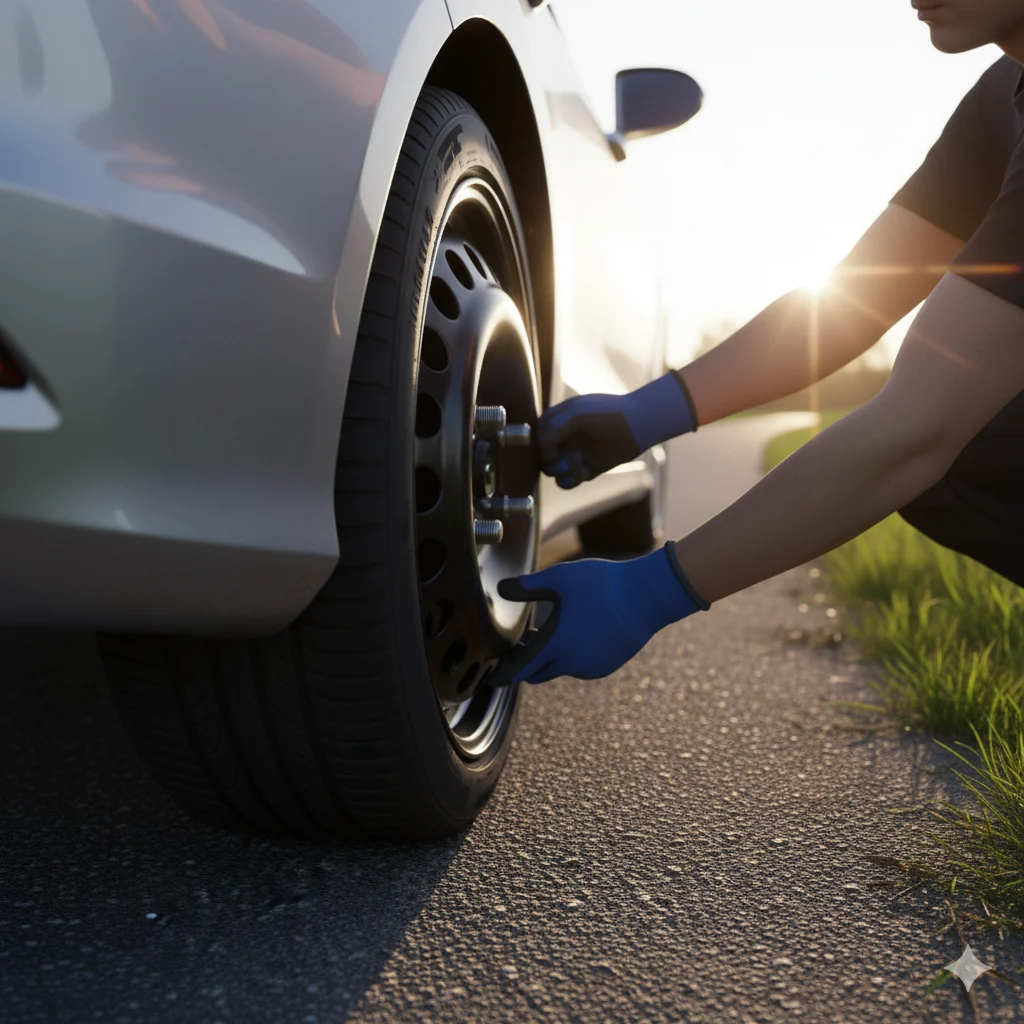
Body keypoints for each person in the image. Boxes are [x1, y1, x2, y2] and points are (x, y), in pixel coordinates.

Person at [492, 0, 1024, 687]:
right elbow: (850, 306)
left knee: (947, 440)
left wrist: (647, 595)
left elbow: (915, 432)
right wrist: (646, 414)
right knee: (965, 453)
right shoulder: (1000, 96)